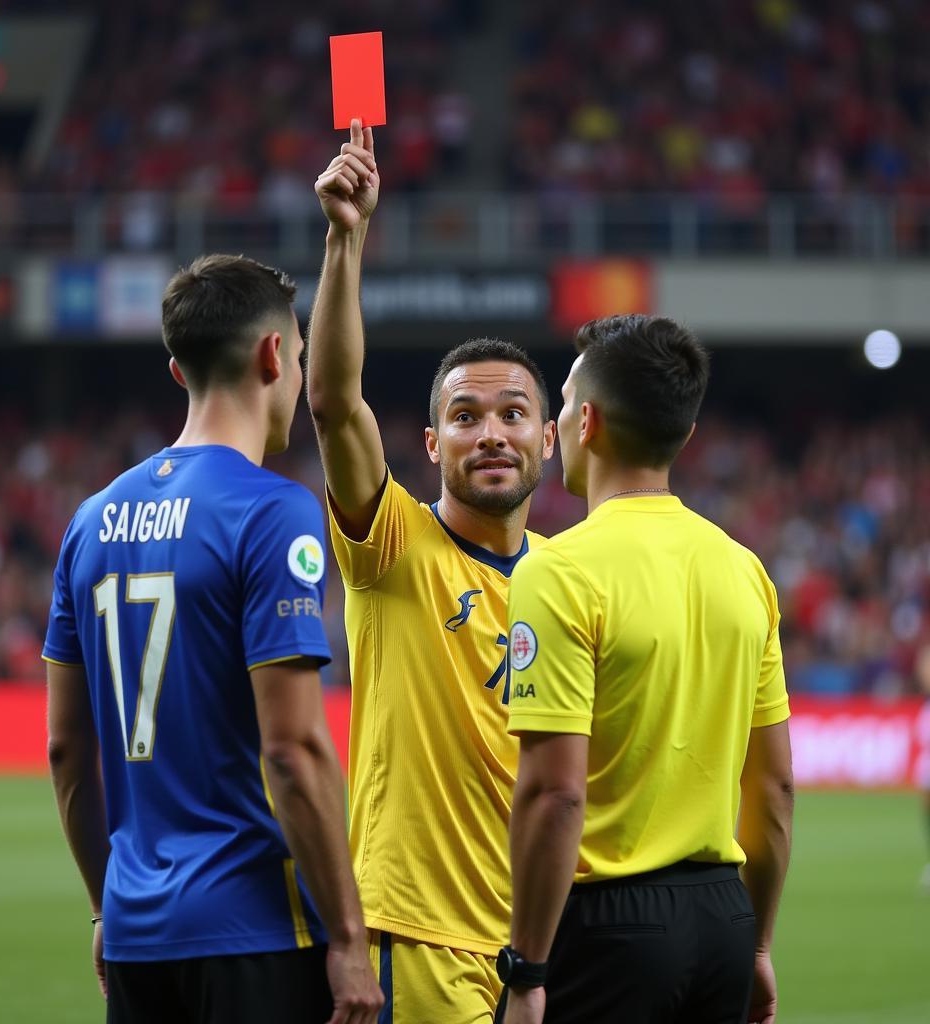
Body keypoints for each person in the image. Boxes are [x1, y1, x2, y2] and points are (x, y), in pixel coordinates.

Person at [42, 254, 382, 1024]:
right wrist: (349, 937)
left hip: (135, 938)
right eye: (298, 354)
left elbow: (68, 750)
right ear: (274, 356)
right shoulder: (272, 512)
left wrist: (108, 909)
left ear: (177, 370)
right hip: (253, 932)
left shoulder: (89, 521)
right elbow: (292, 749)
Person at [308, 121, 556, 1022]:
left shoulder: (573, 581)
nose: (491, 431)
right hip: (419, 941)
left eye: (513, 413)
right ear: (430, 443)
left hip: (543, 948)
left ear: (550, 438)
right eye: (465, 415)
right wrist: (347, 237)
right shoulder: (395, 547)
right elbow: (335, 404)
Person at [499, 314, 795, 1024]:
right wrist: (755, 944)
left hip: (608, 927)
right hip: (722, 917)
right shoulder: (744, 569)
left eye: (564, 404)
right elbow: (777, 790)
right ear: (683, 434)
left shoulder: (558, 571)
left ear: (588, 422)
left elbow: (555, 794)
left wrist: (529, 971)